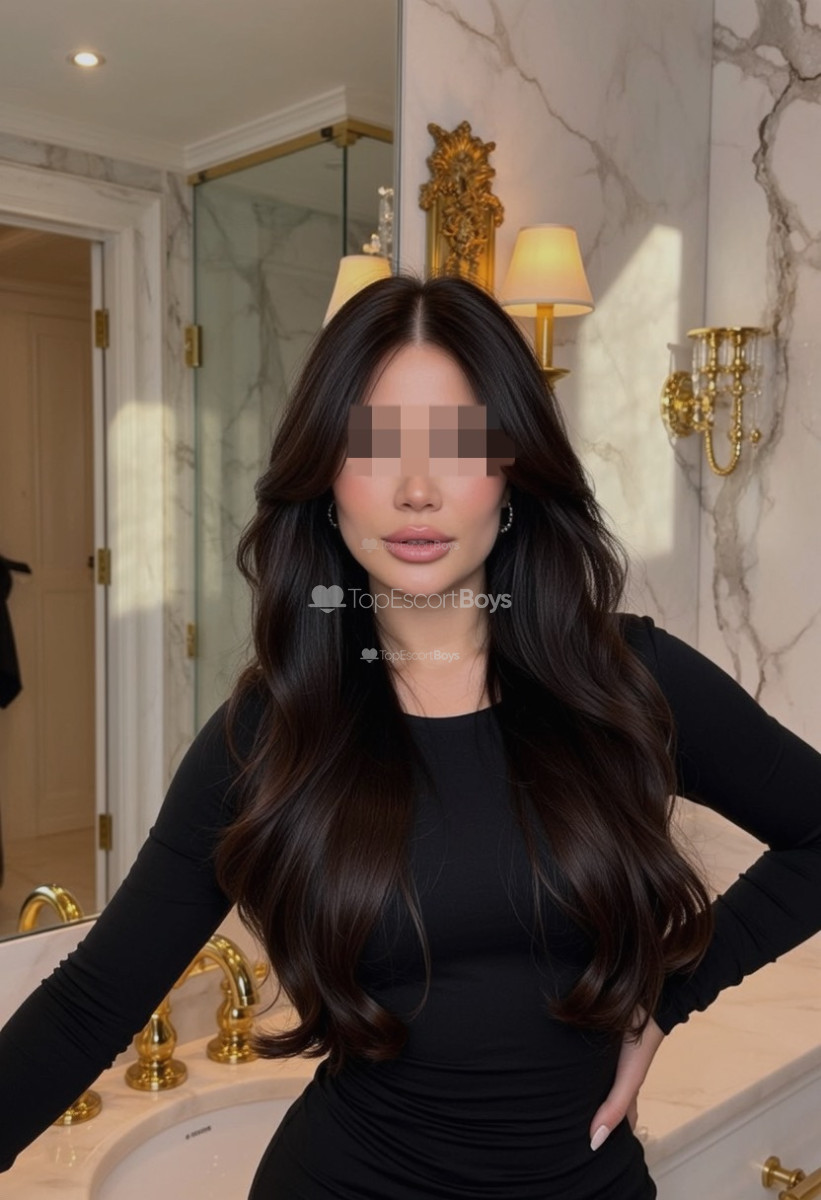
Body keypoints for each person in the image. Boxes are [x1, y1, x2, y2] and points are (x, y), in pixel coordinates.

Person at [1, 274, 820, 1199]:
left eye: (459, 443)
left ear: (512, 472)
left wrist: (669, 998)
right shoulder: (272, 731)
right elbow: (89, 1004)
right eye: (373, 445)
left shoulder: (626, 680)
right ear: (325, 478)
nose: (417, 490)